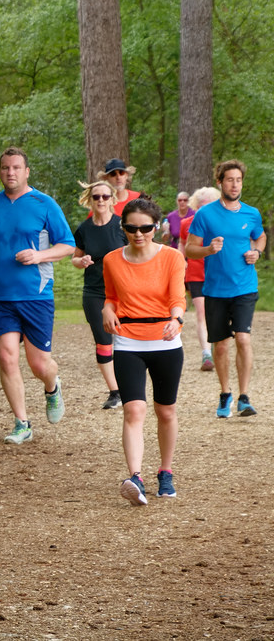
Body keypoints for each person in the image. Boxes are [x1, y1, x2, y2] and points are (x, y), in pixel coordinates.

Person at [0, 146, 76, 444]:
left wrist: (40, 255)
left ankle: (52, 386)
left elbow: (67, 246)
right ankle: (22, 423)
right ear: (0, 171)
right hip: (1, 296)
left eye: (16, 167)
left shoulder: (44, 203)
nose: (10, 173)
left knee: (39, 365)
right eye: (5, 168)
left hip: (36, 295)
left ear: (26, 171)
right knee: (6, 358)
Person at [102, 197, 186, 505]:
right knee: (133, 409)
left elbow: (178, 297)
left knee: (165, 411)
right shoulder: (112, 259)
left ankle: (165, 471)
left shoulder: (172, 258)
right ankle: (135, 477)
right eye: (131, 228)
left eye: (146, 228)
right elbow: (111, 296)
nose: (139, 234)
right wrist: (106, 310)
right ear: (123, 227)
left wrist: (177, 318)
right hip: (127, 342)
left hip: (165, 341)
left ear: (158, 227)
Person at [185, 160, 267, 418]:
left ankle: (244, 397)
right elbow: (190, 248)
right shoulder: (205, 214)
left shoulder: (251, 213)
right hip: (216, 289)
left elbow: (261, 235)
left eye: (239, 180)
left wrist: (257, 251)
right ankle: (225, 393)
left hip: (244, 286)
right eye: (230, 180)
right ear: (220, 182)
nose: (235, 184)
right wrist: (208, 250)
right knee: (220, 346)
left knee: (243, 338)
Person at [71, 180, 126, 410]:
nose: (101, 200)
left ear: (112, 199)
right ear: (90, 201)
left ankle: (130, 385)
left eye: (105, 196)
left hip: (123, 291)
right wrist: (81, 262)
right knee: (103, 341)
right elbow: (74, 258)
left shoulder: (123, 226)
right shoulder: (84, 229)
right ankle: (115, 392)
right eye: (96, 197)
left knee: (125, 340)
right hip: (94, 292)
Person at [178, 186, 220, 372]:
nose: (205, 208)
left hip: (219, 273)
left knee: (218, 314)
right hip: (196, 273)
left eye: (209, 204)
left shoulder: (222, 221)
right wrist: (181, 261)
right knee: (202, 314)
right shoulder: (187, 223)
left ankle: (219, 348)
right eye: (201, 204)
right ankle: (206, 353)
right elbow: (181, 242)